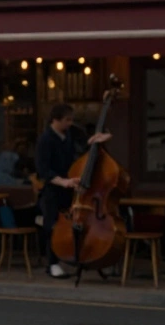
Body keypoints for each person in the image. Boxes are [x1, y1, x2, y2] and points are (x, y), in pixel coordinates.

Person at [35, 104, 111, 279]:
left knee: (75, 225)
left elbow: (87, 144)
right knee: (53, 225)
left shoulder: (71, 133)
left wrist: (100, 139)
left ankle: (77, 258)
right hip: (54, 190)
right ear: (56, 119)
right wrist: (64, 182)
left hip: (72, 187)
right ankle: (52, 263)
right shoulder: (45, 140)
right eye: (67, 120)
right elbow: (43, 170)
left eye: (71, 119)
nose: (70, 123)